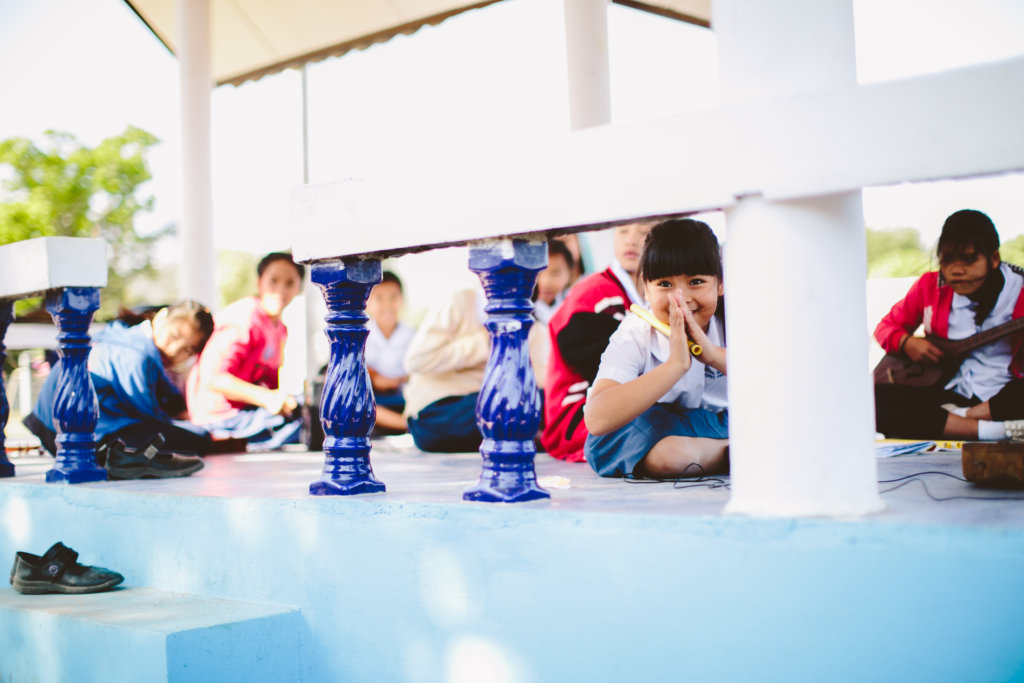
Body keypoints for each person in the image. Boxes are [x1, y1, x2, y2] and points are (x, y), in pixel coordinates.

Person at [584, 218, 728, 478]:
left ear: (720, 284)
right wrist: (675, 366)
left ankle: (731, 451)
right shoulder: (634, 332)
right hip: (655, 427)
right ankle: (739, 453)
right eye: (665, 284)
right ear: (645, 289)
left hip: (719, 423)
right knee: (674, 457)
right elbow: (597, 420)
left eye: (696, 281)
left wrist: (714, 356)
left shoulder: (734, 321)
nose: (681, 298)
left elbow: (777, 381)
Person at [874, 209, 1024, 440]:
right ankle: (996, 430)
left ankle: (966, 420)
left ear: (994, 259)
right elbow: (885, 328)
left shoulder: (1020, 290)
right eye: (947, 260)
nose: (956, 270)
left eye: (968, 259)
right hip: (948, 394)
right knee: (872, 400)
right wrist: (907, 343)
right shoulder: (929, 287)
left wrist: (988, 408)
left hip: (1005, 395)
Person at [24, 300, 216, 477]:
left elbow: (168, 397)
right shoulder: (137, 354)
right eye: (174, 336)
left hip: (49, 427)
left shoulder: (124, 334)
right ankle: (120, 459)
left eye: (187, 350)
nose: (175, 350)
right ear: (161, 317)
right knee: (199, 439)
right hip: (73, 438)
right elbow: (149, 416)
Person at [541, 220, 654, 461]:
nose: (631, 239)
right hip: (576, 419)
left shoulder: (643, 295)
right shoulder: (597, 291)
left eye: (644, 232)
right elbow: (610, 371)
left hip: (614, 410)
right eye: (623, 231)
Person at [403, 285, 548, 453]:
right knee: (507, 405)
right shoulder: (461, 302)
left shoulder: (533, 329)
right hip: (436, 414)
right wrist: (484, 341)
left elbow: (538, 388)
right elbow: (416, 360)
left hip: (487, 414)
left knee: (538, 400)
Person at [186, 252, 305, 450]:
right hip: (220, 418)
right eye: (273, 281)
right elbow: (214, 379)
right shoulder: (244, 317)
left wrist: (282, 400)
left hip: (249, 412)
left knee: (308, 408)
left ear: (298, 288)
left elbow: (270, 384)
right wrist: (267, 398)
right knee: (310, 422)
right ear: (260, 282)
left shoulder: (280, 329)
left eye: (289, 283)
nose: (280, 290)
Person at [365, 270, 415, 434]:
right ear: (367, 302)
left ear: (402, 301)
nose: (387, 305)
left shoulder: (412, 336)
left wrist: (396, 381)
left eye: (393, 298)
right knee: (362, 405)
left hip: (405, 397)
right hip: (375, 401)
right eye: (379, 298)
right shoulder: (362, 334)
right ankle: (407, 425)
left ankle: (411, 422)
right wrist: (377, 378)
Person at [533, 240, 575, 324]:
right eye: (538, 274)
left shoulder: (574, 308)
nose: (545, 282)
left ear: (569, 274)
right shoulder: (525, 312)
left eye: (555, 273)